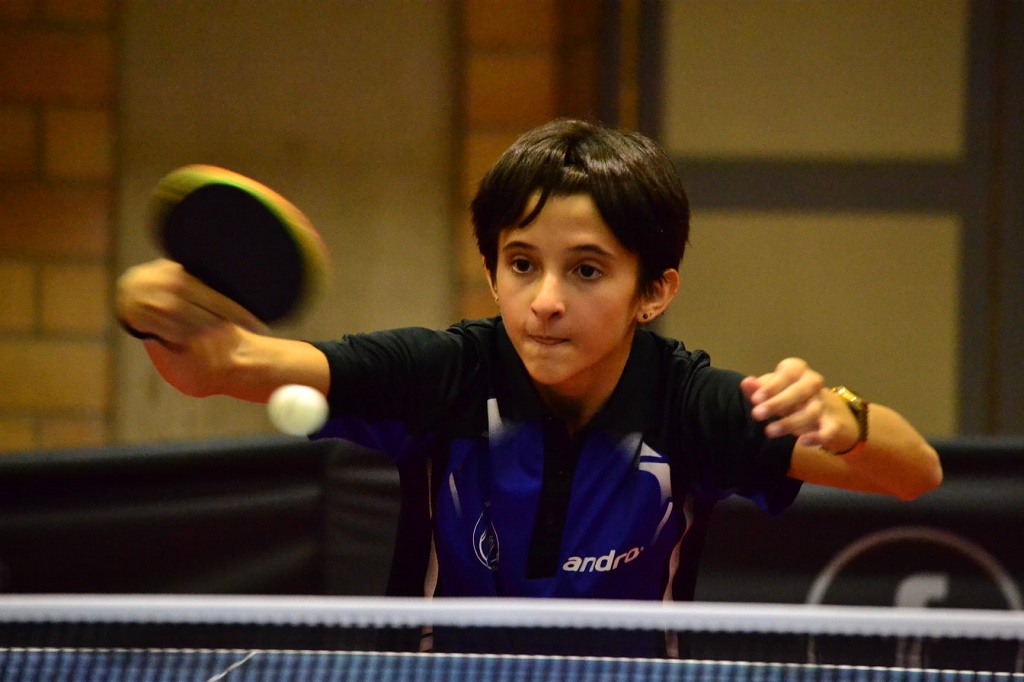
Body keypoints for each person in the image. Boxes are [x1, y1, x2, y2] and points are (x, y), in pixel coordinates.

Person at [116, 118, 942, 654]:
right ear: (493, 271)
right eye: (521, 264)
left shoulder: (689, 406)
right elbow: (220, 368)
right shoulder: (443, 377)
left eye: (586, 270)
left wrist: (845, 419)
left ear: (654, 291)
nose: (545, 301)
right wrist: (152, 311)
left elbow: (915, 473)